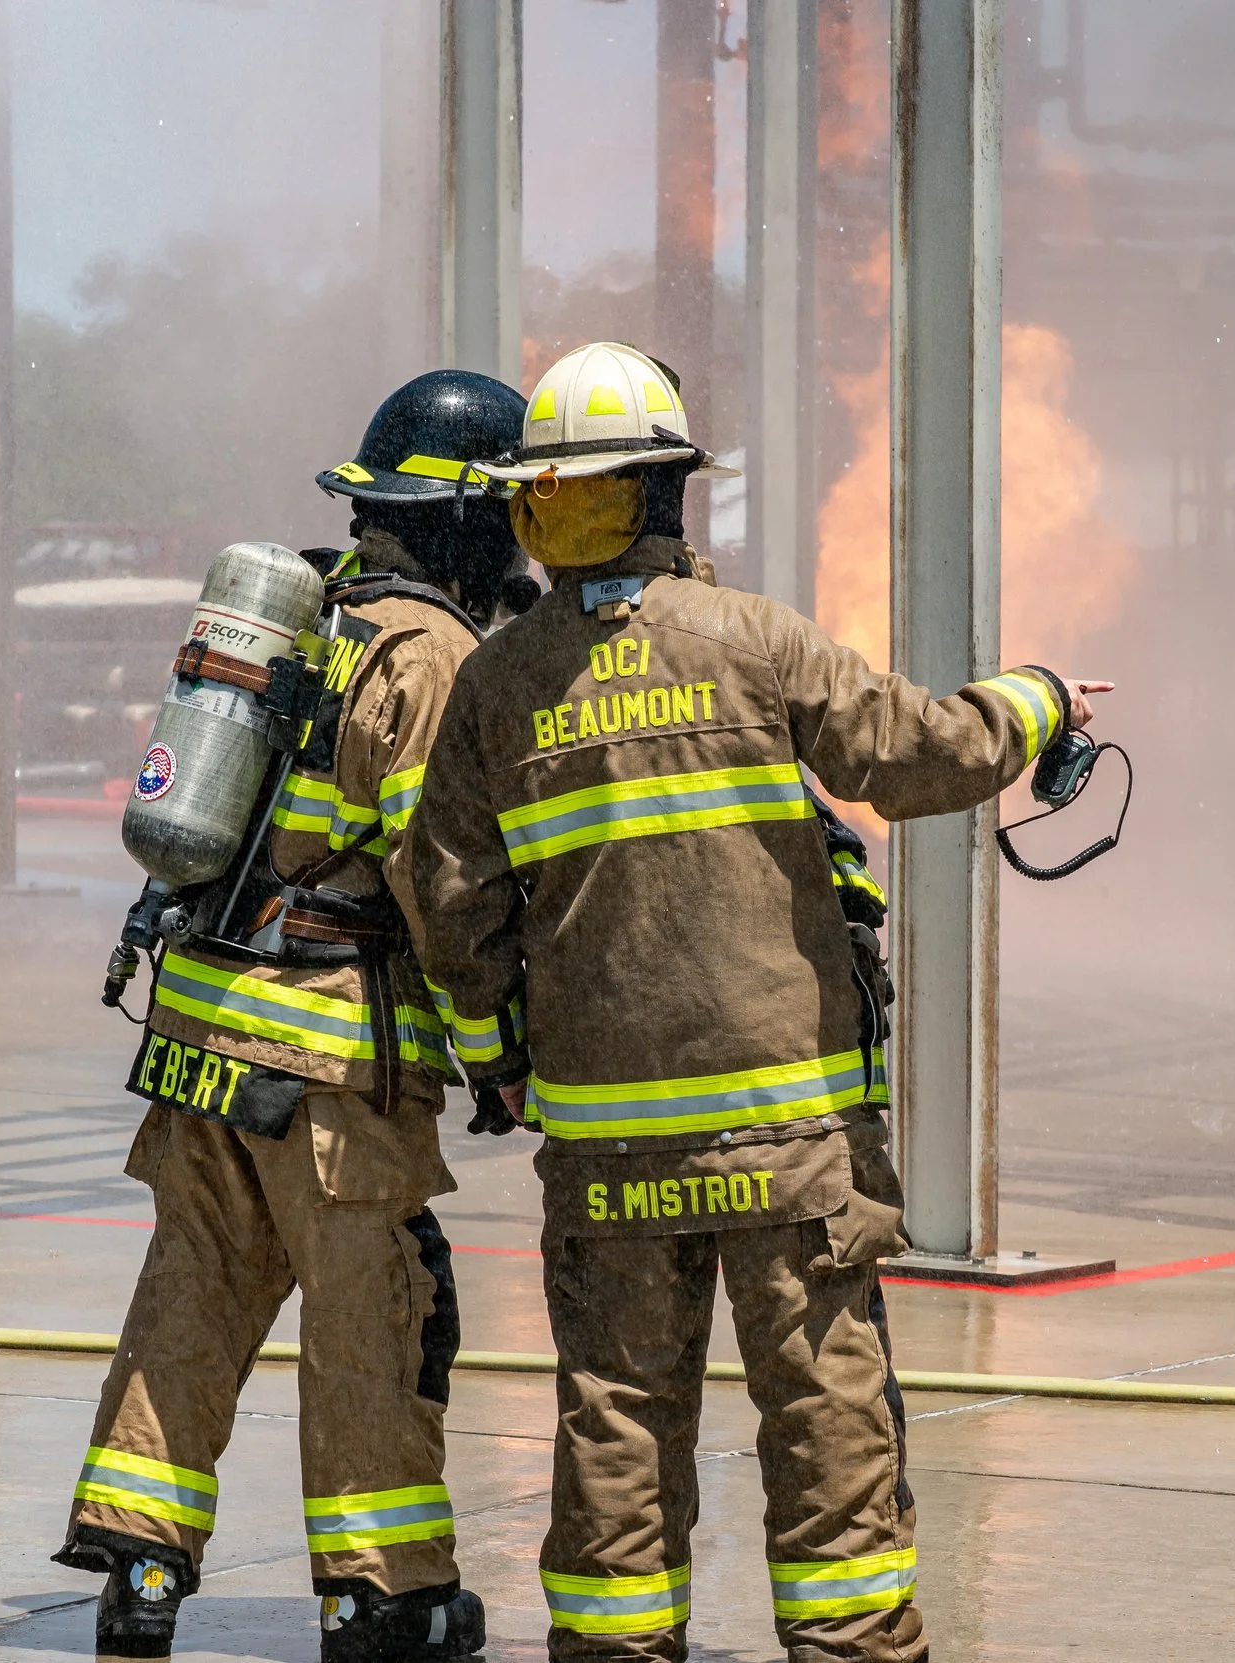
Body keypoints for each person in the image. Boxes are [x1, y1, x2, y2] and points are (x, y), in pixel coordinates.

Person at [408, 340, 1106, 1663]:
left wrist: (499, 1056)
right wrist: (1037, 700)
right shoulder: (754, 641)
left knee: (616, 1423)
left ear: (535, 509)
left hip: (608, 1154)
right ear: (672, 497)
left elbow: (452, 904)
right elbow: (908, 755)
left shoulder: (496, 685)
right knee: (828, 1424)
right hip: (792, 1148)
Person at [55, 370, 535, 1661]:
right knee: (375, 1319)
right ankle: (387, 1597)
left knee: (192, 1301)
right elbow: (442, 880)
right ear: (470, 523)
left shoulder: (305, 618)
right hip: (328, 1064)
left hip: (198, 1042)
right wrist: (499, 1049)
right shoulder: (430, 656)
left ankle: (139, 1577)